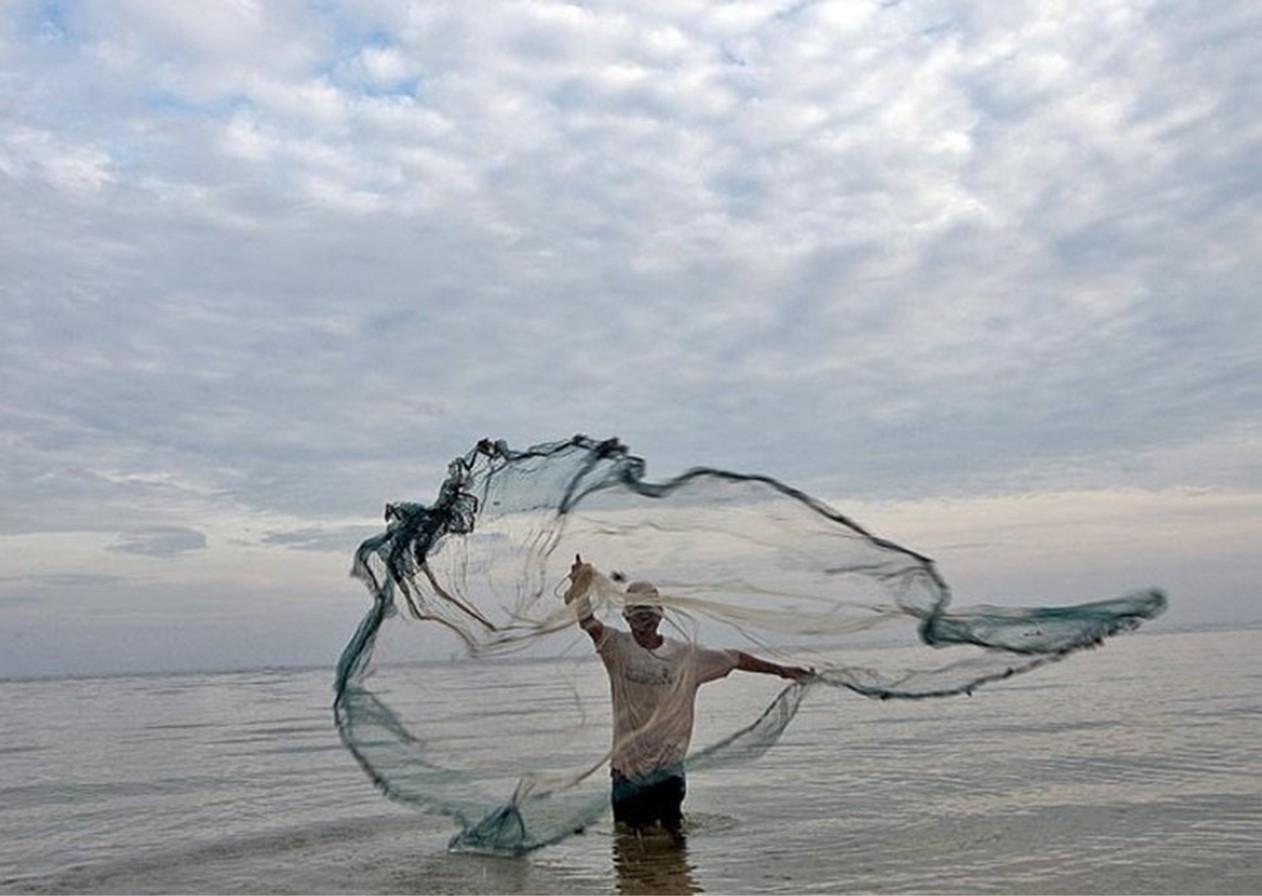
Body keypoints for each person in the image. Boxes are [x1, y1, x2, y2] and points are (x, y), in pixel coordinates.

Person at [563, 555, 812, 840]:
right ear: (626, 617)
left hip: (669, 768)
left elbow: (736, 658)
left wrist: (782, 671)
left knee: (672, 838)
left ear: (660, 615)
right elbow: (589, 623)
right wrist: (580, 589)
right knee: (628, 844)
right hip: (626, 771)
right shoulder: (616, 648)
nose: (643, 620)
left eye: (648, 613)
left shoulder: (686, 657)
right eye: (636, 614)